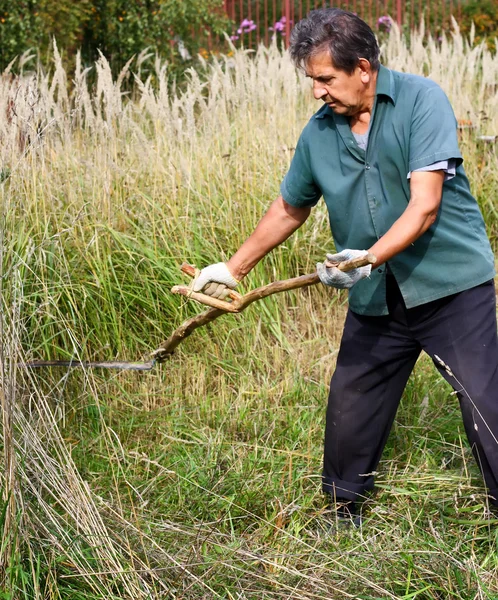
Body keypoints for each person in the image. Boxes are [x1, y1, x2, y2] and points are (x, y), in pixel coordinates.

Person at [192, 8, 498, 522]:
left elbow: (424, 207)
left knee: (486, 406)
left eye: (325, 79)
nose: (316, 92)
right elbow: (291, 206)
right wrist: (234, 268)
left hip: (449, 287)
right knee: (351, 405)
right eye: (311, 80)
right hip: (376, 294)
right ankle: (341, 513)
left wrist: (368, 258)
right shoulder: (319, 133)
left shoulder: (422, 102)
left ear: (362, 67)